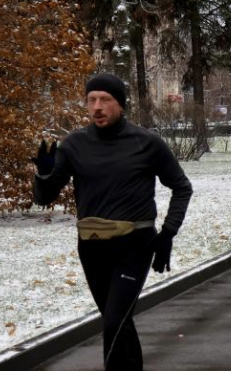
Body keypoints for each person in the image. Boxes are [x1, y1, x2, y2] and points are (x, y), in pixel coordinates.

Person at [31, 73, 193, 371]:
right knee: (117, 321)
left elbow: (182, 187)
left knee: (116, 321)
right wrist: (43, 174)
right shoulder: (74, 145)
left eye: (105, 99)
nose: (97, 106)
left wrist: (168, 233)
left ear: (121, 104)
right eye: (91, 100)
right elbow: (45, 197)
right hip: (91, 248)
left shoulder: (147, 143)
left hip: (134, 245)